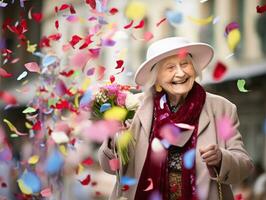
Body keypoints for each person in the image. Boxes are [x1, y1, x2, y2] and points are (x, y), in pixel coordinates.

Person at [98, 37, 254, 200]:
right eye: (170, 67)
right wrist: (114, 139)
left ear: (194, 67)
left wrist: (222, 159)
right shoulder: (133, 108)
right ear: (156, 77)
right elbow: (109, 167)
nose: (180, 73)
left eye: (185, 64)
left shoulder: (221, 108)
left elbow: (244, 165)